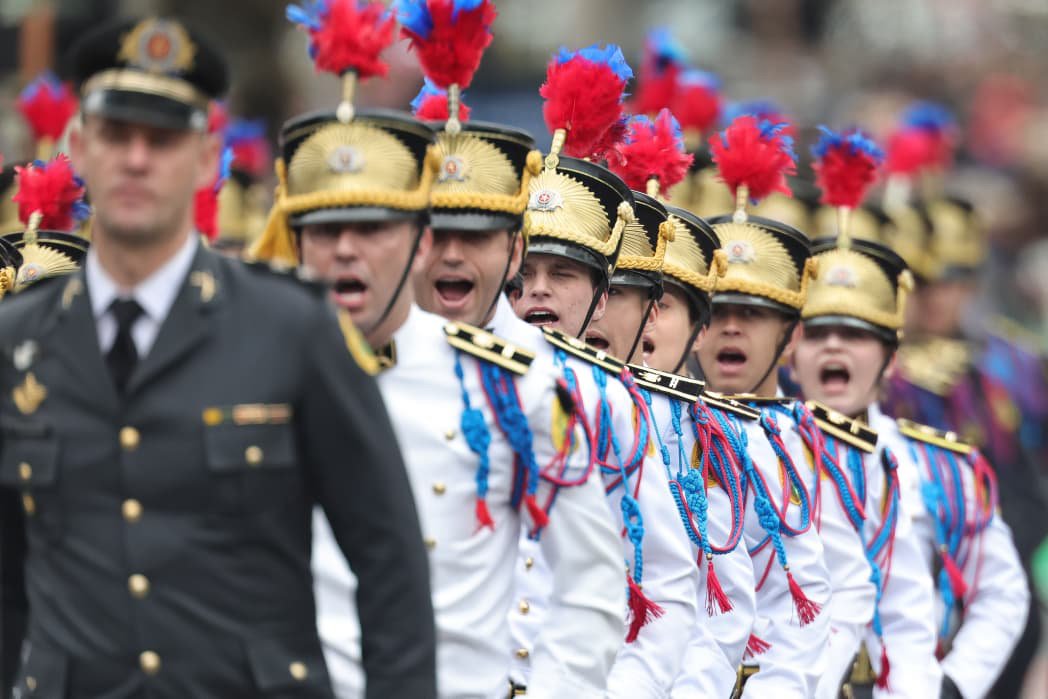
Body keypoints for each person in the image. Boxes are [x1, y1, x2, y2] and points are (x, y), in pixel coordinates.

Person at [0, 16, 436, 698]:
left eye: (163, 139)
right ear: (78, 148)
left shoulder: (291, 327)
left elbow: (390, 564)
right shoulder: (19, 340)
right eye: (116, 135)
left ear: (208, 157)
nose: (137, 159)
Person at [252, 8, 626, 695]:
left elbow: (592, 586)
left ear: (413, 242)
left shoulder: (512, 387)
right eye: (324, 229)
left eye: (372, 227)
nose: (347, 250)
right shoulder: (250, 374)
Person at [690, 115, 834, 697]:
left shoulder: (819, 448)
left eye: (751, 315)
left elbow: (825, 601)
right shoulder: (661, 428)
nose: (730, 329)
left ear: (792, 336)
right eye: (716, 313)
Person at [788, 221, 941, 697]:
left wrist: (954, 684)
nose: (834, 345)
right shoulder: (755, 451)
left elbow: (909, 608)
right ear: (791, 351)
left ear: (890, 359)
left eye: (854, 334)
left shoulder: (934, 464)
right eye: (817, 333)